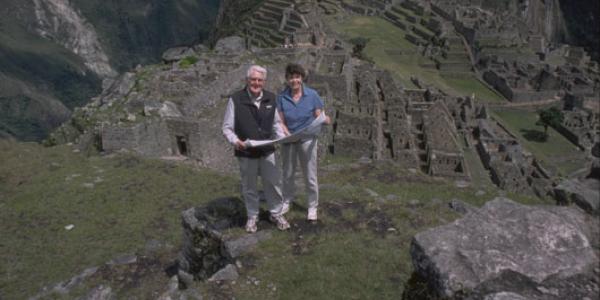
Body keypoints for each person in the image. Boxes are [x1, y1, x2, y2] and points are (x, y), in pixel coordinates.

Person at [222, 65, 290, 233]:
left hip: (267, 150)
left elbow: (275, 124)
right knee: (249, 186)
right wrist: (235, 141)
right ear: (247, 80)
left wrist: (281, 136)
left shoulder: (270, 98)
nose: (256, 83)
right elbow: (227, 128)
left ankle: (276, 213)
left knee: (273, 183)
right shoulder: (236, 99)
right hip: (245, 151)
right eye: (253, 79)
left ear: (264, 82)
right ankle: (253, 216)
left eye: (260, 80)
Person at [277, 63, 330, 221]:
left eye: (297, 77)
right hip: (289, 138)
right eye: (291, 77)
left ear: (302, 78)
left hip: (307, 139)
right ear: (287, 79)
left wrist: (325, 119)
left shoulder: (312, 95)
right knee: (288, 173)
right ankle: (287, 200)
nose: (294, 80)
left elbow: (318, 115)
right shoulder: (281, 97)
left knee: (310, 174)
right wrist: (285, 130)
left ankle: (312, 206)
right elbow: (280, 120)